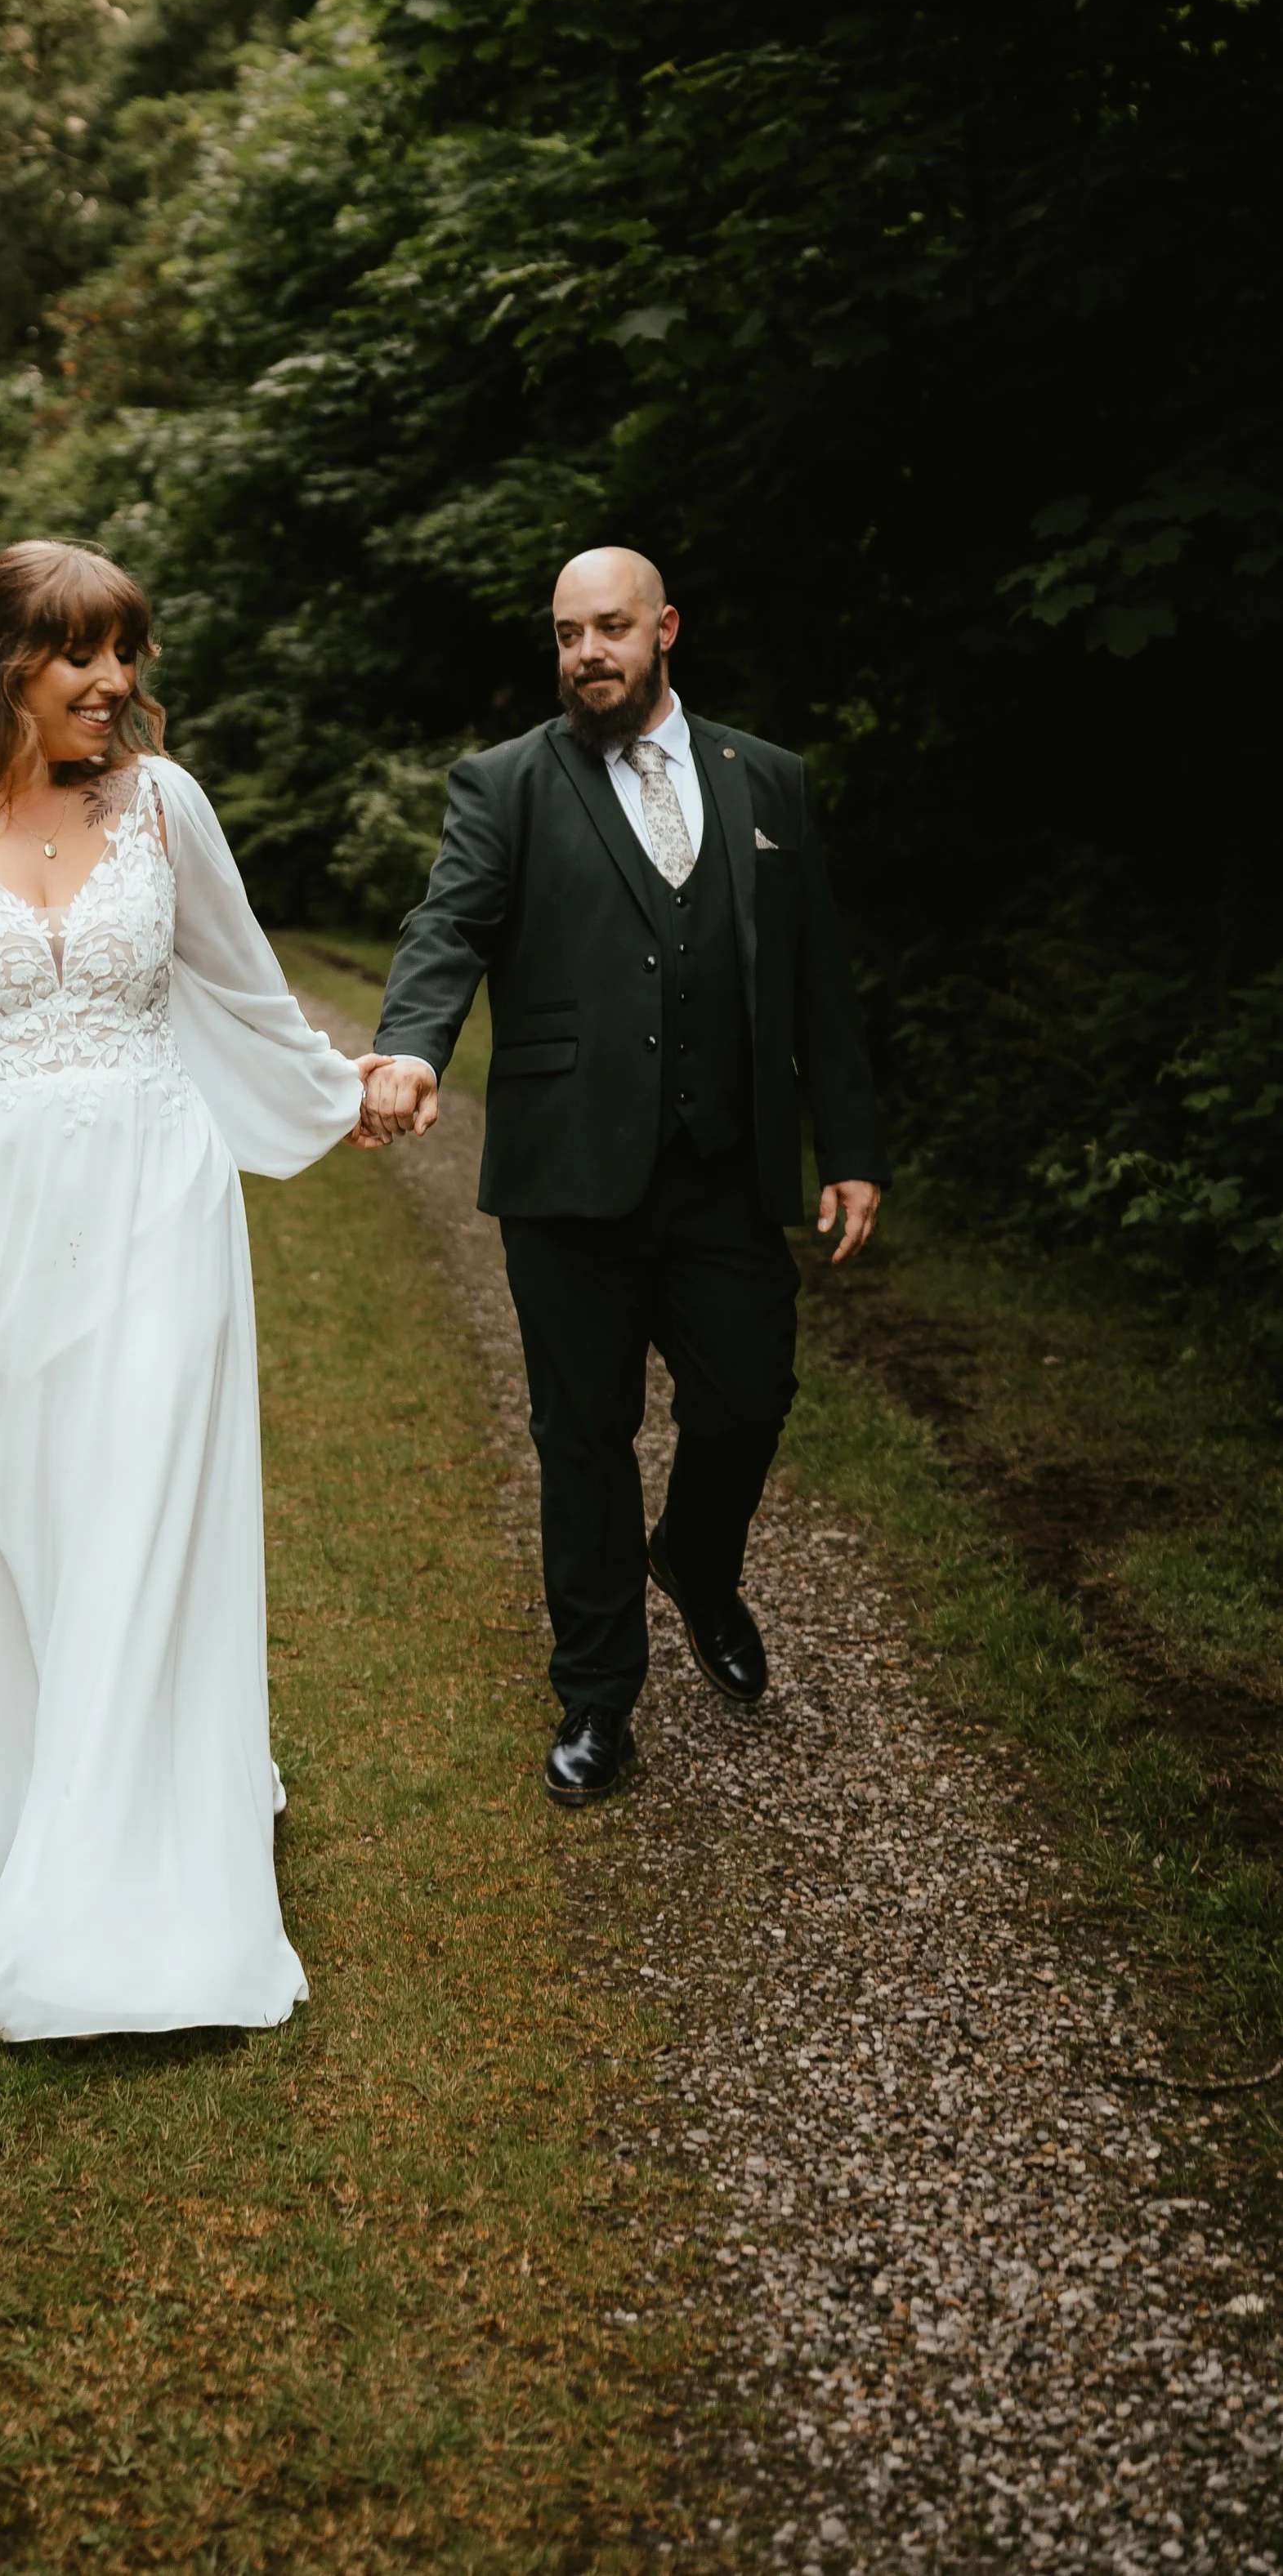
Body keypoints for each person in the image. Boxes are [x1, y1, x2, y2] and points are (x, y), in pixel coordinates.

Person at [0, 541, 382, 2041]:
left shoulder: (163, 808)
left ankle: (133, 1878)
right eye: (82, 660)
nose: (117, 686)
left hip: (157, 1215)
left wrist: (347, 1087)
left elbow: (242, 989)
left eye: (127, 654)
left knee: (137, 1530)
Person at [361, 547, 886, 1805]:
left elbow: (816, 974)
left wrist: (852, 1147)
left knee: (749, 1393)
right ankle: (598, 1698)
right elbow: (449, 926)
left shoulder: (768, 779)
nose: (587, 651)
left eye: (610, 627)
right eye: (566, 632)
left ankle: (698, 1560)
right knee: (582, 1436)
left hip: (722, 1171)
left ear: (666, 630)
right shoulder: (507, 783)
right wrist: (410, 1048)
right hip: (566, 1173)